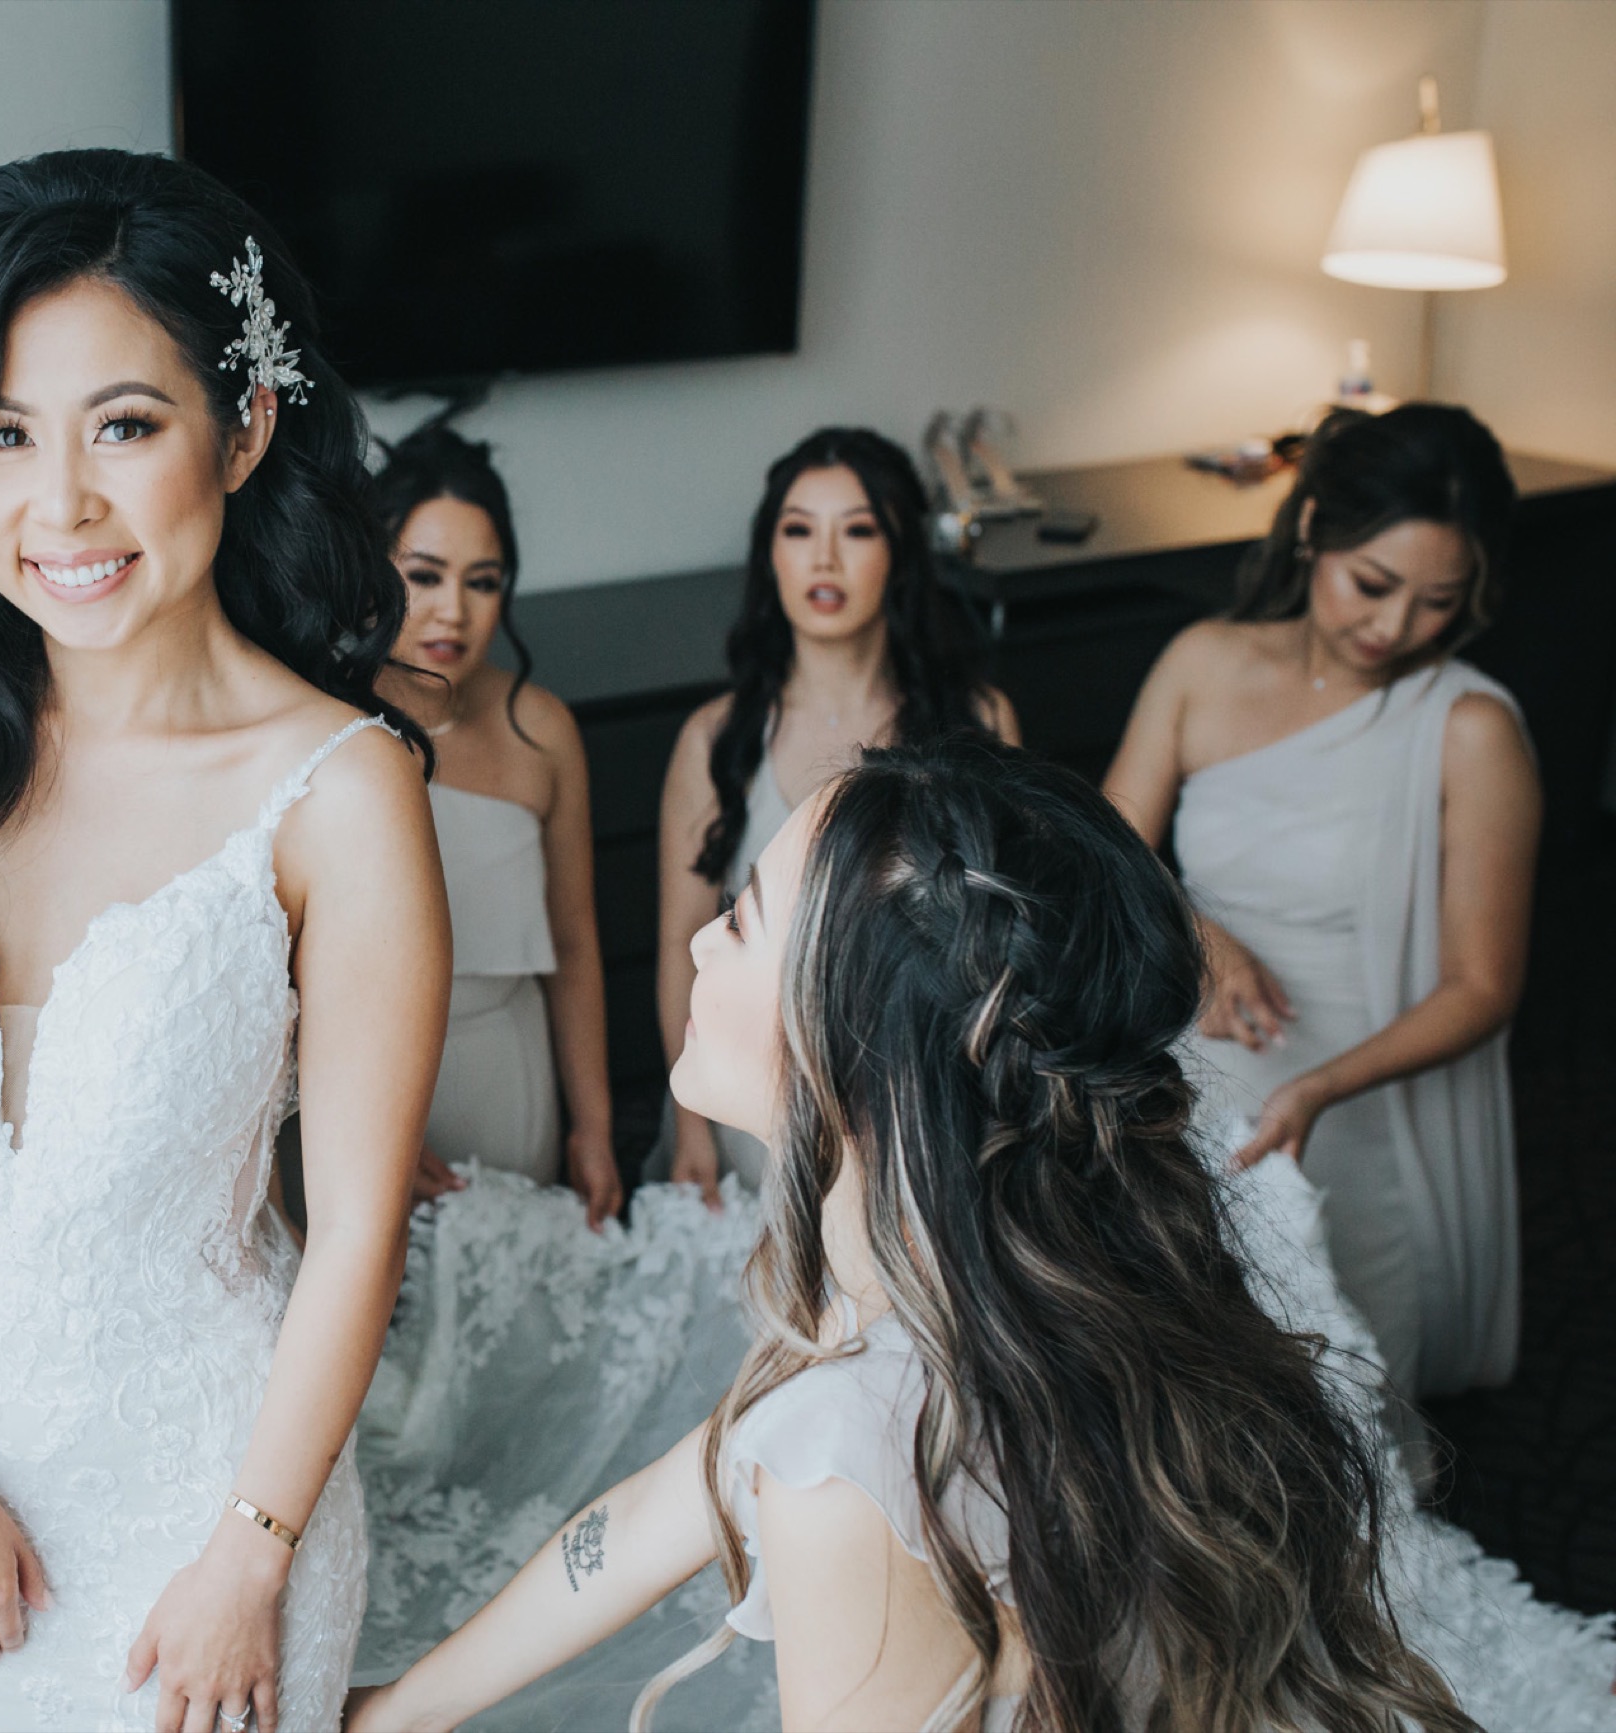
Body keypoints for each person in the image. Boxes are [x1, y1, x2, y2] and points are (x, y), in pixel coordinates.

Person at [0, 151, 444, 1733]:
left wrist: (251, 1557)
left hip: (210, 1530)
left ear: (242, 428)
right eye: (2, 432)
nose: (61, 507)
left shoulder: (340, 793)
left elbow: (355, 1234)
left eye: (124, 425)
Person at [351, 735, 1477, 1733]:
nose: (696, 944)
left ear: (855, 1044)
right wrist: (403, 1708)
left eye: (741, 920)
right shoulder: (967, 1290)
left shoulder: (855, 1450)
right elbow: (651, 1514)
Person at [1103, 404, 1536, 1421]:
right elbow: (1106, 850)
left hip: (1349, 1085)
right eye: (1371, 584)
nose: (1393, 626)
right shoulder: (1201, 661)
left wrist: (1319, 1089)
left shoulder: (1468, 730)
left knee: (1324, 1401)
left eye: (1438, 601)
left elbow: (1482, 987)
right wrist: (1196, 933)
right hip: (1190, 1047)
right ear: (1310, 532)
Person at [654, 428, 1015, 1200]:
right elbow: (681, 943)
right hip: (752, 1090)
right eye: (798, 530)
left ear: (900, 554)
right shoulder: (714, 739)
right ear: (770, 556)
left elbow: (1004, 937)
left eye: (857, 530)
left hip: (922, 1097)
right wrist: (691, 1128)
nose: (824, 558)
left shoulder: (978, 722)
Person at [371, 418, 618, 1224]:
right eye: (425, 575)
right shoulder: (325, 722)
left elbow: (574, 941)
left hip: (513, 1065)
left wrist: (594, 1125)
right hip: (375, 1085)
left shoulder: (541, 729)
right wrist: (363, 1124)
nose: (454, 611)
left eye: (482, 582)